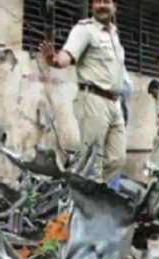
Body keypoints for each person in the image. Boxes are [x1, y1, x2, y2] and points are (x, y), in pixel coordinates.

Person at [39, 0, 125, 182]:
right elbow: (66, 55)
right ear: (92, 6)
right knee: (92, 160)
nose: (102, 5)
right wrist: (55, 60)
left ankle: (85, 186)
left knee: (117, 159)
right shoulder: (84, 30)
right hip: (93, 99)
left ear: (114, 7)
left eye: (107, 1)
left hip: (114, 102)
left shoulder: (114, 34)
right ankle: (86, 192)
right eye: (98, 1)